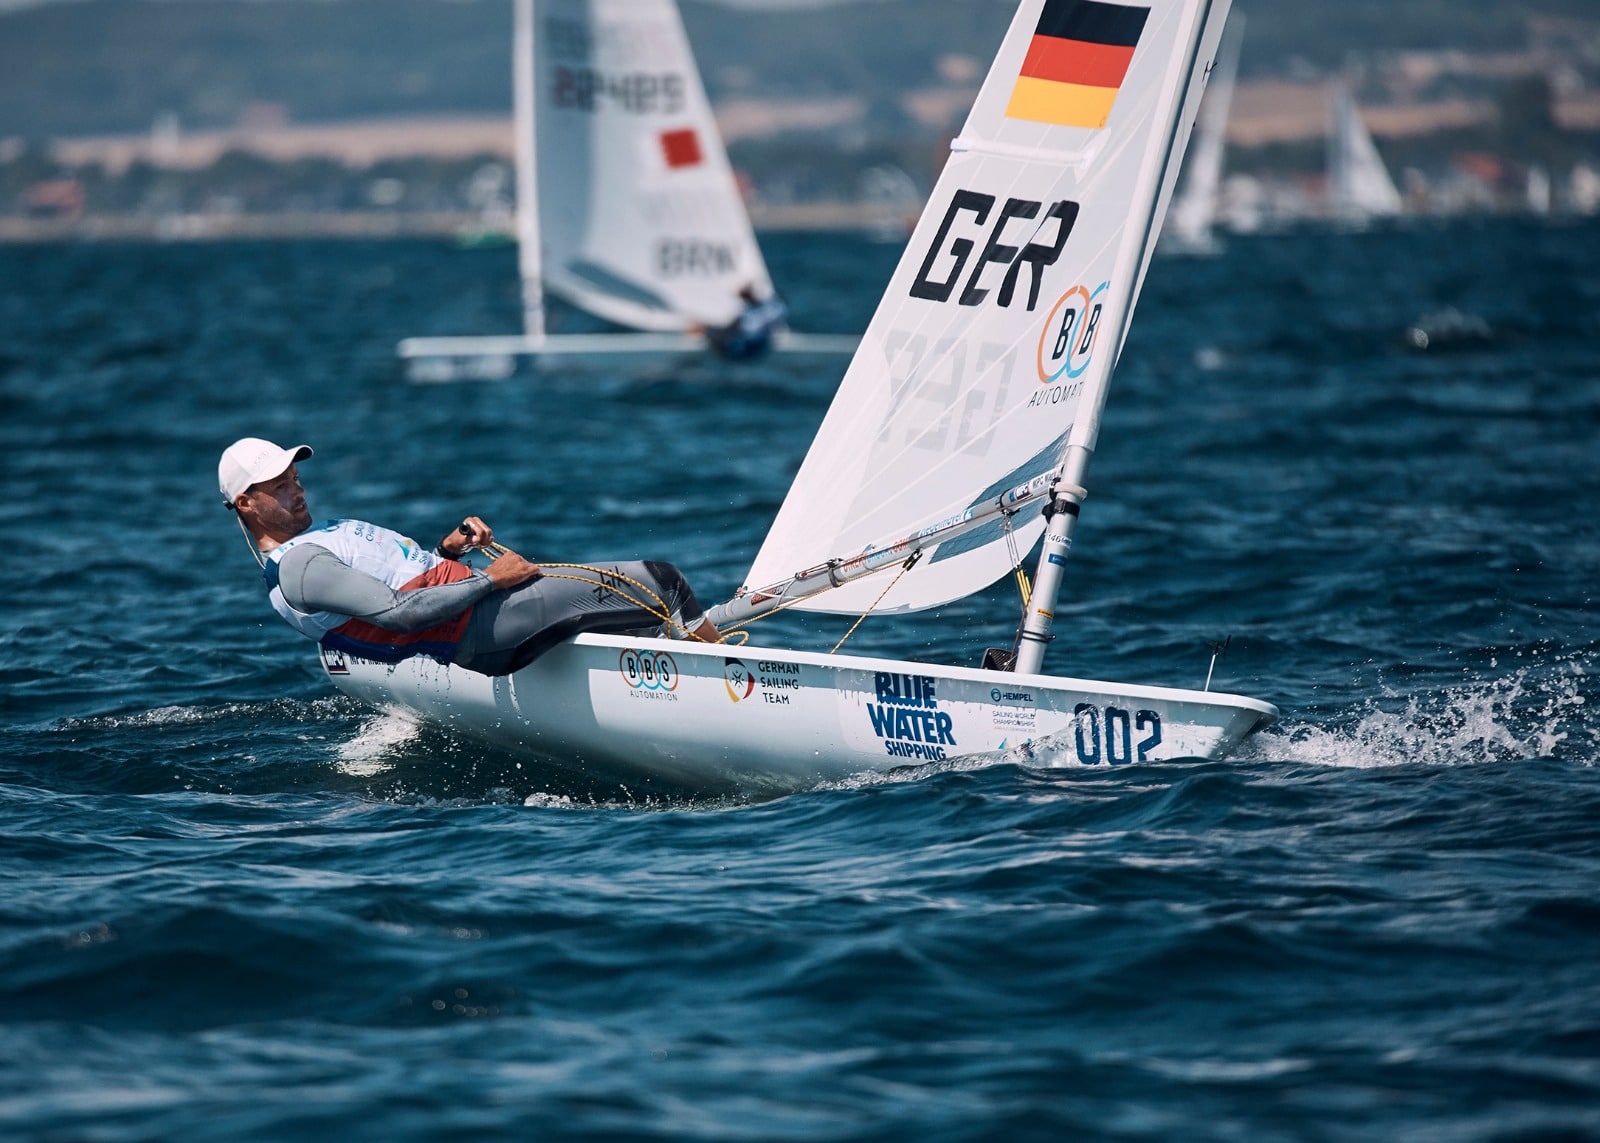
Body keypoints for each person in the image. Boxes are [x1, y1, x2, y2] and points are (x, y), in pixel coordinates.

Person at [219, 437, 722, 676]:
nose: (297, 491)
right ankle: (734, 680)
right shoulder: (301, 566)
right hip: (479, 627)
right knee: (662, 581)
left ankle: (679, 666)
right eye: (280, 487)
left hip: (476, 613)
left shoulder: (316, 542)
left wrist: (446, 550)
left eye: (296, 480)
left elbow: (399, 582)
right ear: (246, 504)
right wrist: (491, 581)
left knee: (637, 619)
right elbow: (397, 614)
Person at [703, 284, 787, 360]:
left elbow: (746, 327)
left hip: (753, 344)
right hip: (750, 342)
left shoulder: (770, 307)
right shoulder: (749, 309)